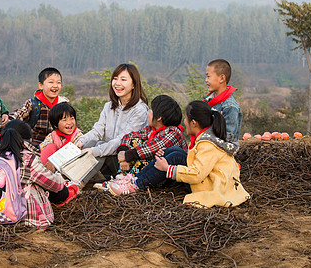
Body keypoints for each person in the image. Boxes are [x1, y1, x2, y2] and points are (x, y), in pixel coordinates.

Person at [108, 101, 250, 208]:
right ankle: (134, 180)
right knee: (173, 152)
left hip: (212, 186)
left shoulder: (208, 145)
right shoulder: (202, 139)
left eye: (187, 119)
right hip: (207, 180)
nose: (184, 122)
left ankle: (136, 185)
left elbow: (198, 174)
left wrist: (168, 169)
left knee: (175, 156)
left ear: (193, 123)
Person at [0, 120, 79, 229]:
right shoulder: (27, 160)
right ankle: (74, 188)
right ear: (30, 140)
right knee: (57, 187)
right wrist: (55, 174)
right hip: (27, 219)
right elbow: (56, 185)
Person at [76, 63, 149, 183]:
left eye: (123, 79)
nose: (117, 83)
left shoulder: (140, 110)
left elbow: (123, 140)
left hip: (125, 161)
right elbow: (97, 131)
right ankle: (70, 177)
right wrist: (81, 141)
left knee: (98, 147)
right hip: (110, 157)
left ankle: (78, 183)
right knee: (89, 143)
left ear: (133, 85)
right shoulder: (109, 106)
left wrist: (95, 151)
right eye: (115, 79)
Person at [96, 95, 187, 190]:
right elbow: (129, 136)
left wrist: (127, 156)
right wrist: (123, 152)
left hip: (163, 178)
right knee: (136, 141)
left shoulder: (174, 132)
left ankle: (131, 183)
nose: (148, 113)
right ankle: (123, 178)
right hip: (151, 172)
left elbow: (152, 147)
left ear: (159, 117)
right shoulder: (150, 130)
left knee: (145, 152)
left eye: (151, 110)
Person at [10, 67, 69, 145]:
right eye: (51, 82)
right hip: (35, 145)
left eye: (58, 83)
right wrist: (9, 119)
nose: (55, 85)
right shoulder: (33, 103)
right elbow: (20, 113)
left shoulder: (63, 104)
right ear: (41, 85)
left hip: (57, 145)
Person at [203, 59, 242, 152]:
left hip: (220, 152)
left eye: (208, 77)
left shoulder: (230, 107)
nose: (206, 80)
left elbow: (228, 138)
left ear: (221, 78)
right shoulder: (209, 101)